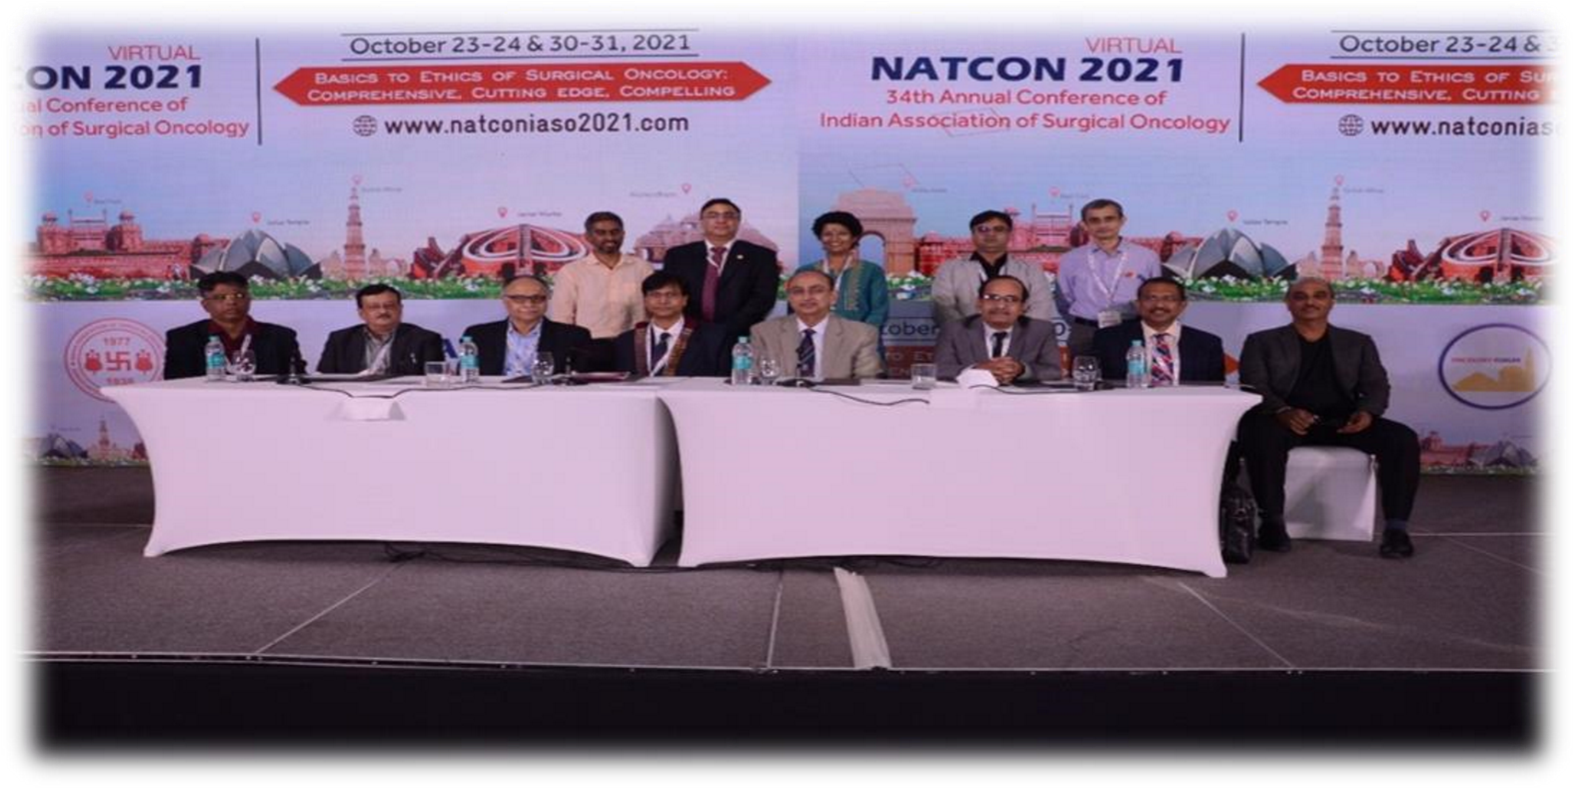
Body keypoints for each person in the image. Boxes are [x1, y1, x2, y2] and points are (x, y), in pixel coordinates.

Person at [1236, 277, 1421, 559]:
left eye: (1319, 295)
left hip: (1342, 422)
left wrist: (1368, 412)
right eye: (1300, 296)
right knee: (1259, 433)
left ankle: (1396, 530)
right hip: (1283, 420)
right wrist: (1282, 411)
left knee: (1402, 439)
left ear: (1331, 302)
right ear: (1288, 303)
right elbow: (1253, 385)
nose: (1310, 302)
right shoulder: (1261, 341)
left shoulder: (1357, 342)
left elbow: (1376, 385)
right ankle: (1271, 522)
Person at [660, 198, 780, 347]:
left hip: (740, 337)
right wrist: (690, 326)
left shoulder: (761, 256)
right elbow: (672, 294)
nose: (721, 220)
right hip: (687, 335)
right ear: (701, 222)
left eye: (728, 215)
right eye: (713, 215)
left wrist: (728, 329)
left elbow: (763, 298)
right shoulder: (678, 256)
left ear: (738, 221)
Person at [1055, 199, 1164, 360]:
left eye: (1109, 219)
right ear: (1084, 225)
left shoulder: (1146, 257)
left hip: (1131, 329)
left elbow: (1156, 296)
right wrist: (1082, 322)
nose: (1103, 225)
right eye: (1094, 220)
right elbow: (1064, 299)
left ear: (1122, 220)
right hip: (1085, 331)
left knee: (1133, 373)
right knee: (1083, 373)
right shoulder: (1070, 259)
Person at [548, 211, 655, 371]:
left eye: (614, 232)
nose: (609, 237)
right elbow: (562, 318)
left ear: (623, 234)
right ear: (588, 237)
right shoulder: (572, 272)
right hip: (589, 347)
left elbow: (654, 308)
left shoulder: (642, 268)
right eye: (601, 233)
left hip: (635, 345)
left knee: (636, 386)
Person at [164, 271, 301, 380]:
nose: (231, 302)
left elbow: (298, 380)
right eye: (220, 297)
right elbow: (174, 385)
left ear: (249, 300)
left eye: (239, 296)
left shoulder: (281, 336)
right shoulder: (182, 338)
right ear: (205, 305)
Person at [932, 210, 1057, 327]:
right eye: (983, 229)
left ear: (1009, 234)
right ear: (973, 235)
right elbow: (943, 308)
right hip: (963, 338)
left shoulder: (1030, 270)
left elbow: (1041, 306)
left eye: (999, 229)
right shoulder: (950, 269)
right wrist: (969, 334)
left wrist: (1018, 335)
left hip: (1021, 340)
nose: (990, 234)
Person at [750, 269, 881, 380]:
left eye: (817, 290)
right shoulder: (765, 332)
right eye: (798, 291)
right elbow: (755, 378)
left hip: (838, 401)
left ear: (833, 297)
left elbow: (867, 382)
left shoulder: (861, 334)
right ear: (789, 298)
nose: (807, 297)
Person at [1091, 276, 1224, 384]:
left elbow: (1216, 389)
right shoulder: (1108, 339)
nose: (1159, 305)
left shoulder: (1207, 343)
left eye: (1168, 299)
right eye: (1151, 298)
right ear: (1138, 304)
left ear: (1182, 305)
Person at [934, 275, 1061, 385]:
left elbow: (1053, 371)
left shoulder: (1040, 330)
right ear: (979, 303)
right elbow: (940, 369)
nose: (1000, 305)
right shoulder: (954, 329)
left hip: (1021, 400)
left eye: (1011, 299)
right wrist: (977, 370)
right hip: (969, 398)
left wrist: (1020, 369)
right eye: (992, 298)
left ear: (1023, 307)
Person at [463, 274, 593, 377]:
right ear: (504, 300)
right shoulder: (479, 335)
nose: (529, 304)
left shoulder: (573, 336)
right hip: (492, 397)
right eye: (519, 299)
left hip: (550, 397)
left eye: (538, 298)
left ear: (547, 300)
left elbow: (582, 378)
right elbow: (465, 376)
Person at [613, 272, 728, 377]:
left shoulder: (713, 338)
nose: (663, 301)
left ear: (684, 300)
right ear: (645, 301)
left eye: (671, 295)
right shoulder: (625, 341)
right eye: (655, 295)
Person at [317, 284, 444, 376]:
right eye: (374, 307)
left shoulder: (425, 339)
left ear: (400, 309)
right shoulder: (340, 339)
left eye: (389, 306)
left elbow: (435, 379)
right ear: (361, 313)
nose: (383, 311)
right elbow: (324, 378)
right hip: (352, 398)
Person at [795, 211, 889, 333]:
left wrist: (861, 336)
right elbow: (797, 308)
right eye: (827, 234)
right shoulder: (805, 271)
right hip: (814, 339)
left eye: (842, 234)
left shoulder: (872, 271)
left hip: (859, 339)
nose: (834, 239)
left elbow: (879, 311)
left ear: (854, 238)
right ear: (820, 238)